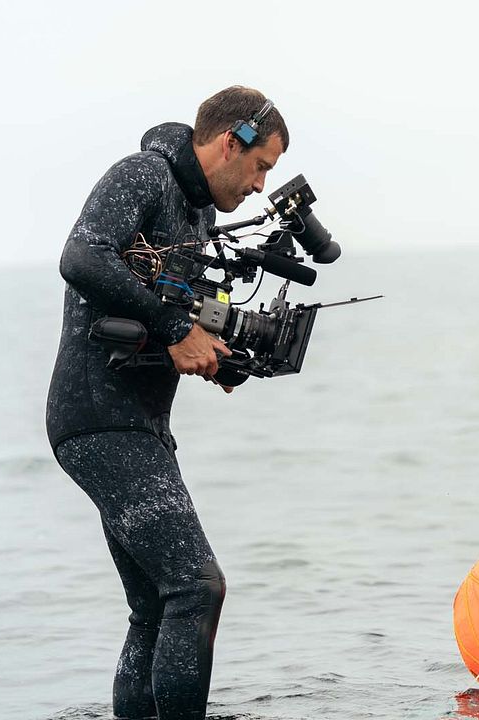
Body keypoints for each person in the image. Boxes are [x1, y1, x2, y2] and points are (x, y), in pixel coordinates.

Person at [46, 86, 289, 719]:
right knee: (196, 587)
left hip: (139, 423)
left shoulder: (198, 216)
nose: (261, 185)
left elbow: (174, 314)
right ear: (230, 142)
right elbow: (81, 256)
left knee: (156, 604)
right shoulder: (142, 175)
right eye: (261, 166)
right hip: (99, 417)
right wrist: (178, 330)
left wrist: (218, 356)